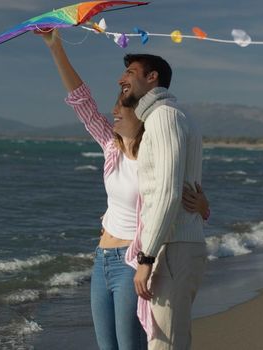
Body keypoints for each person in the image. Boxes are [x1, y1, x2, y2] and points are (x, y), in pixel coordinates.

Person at [39, 29, 209, 350]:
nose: (113, 112)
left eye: (120, 108)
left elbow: (178, 192)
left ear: (138, 113)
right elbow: (81, 100)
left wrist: (202, 205)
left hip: (135, 258)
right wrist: (55, 47)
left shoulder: (156, 145)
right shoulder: (110, 146)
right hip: (102, 259)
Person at [121, 53, 207, 349]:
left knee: (166, 344)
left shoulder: (164, 116)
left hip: (172, 248)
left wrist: (146, 258)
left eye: (130, 72)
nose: (122, 79)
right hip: (173, 246)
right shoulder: (167, 116)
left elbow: (168, 192)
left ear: (152, 77)